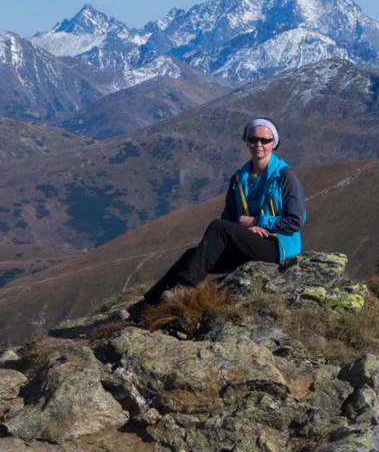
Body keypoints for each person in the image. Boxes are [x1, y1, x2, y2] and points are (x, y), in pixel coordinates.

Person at [127, 117, 306, 317]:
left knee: (218, 227)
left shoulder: (285, 176)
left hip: (278, 246)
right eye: (253, 139)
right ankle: (145, 307)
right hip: (250, 243)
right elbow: (230, 219)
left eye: (265, 140)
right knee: (192, 255)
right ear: (246, 141)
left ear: (274, 143)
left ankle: (182, 290)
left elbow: (296, 221)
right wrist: (246, 231)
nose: (259, 144)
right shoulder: (238, 179)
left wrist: (257, 222)